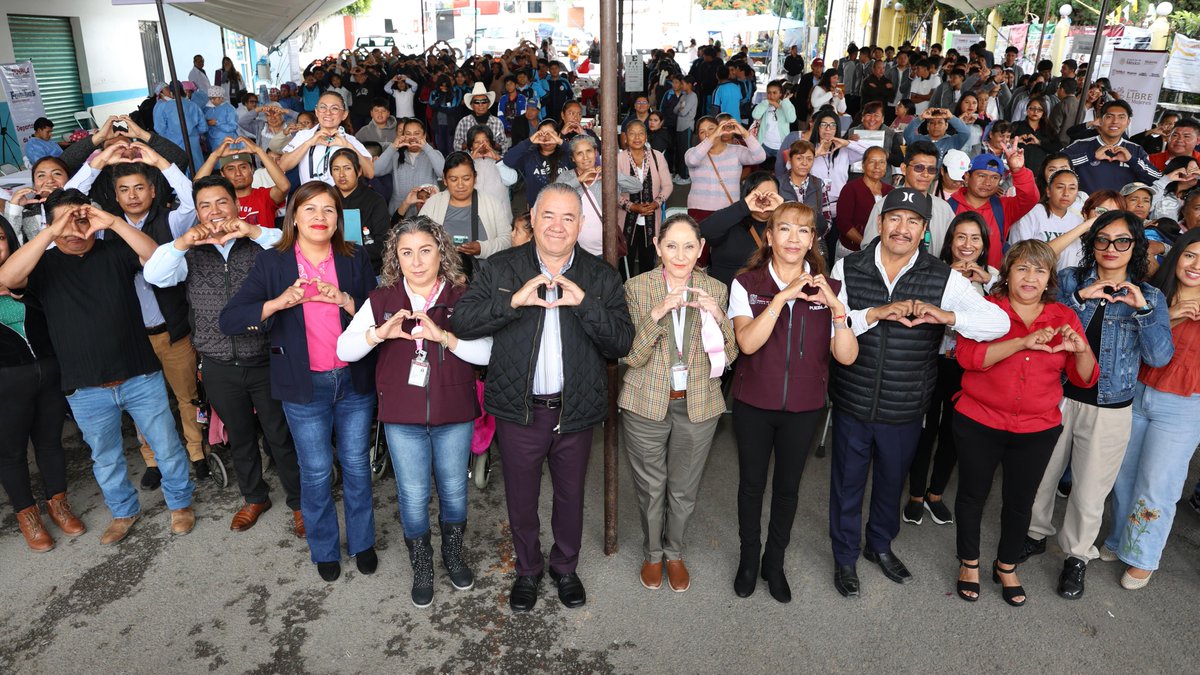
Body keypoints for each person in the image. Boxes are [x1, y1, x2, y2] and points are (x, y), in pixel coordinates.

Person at [450, 183, 634, 612]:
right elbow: (463, 321)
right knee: (521, 498)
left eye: (568, 218)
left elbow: (621, 343)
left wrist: (584, 303)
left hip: (575, 409)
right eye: (548, 215)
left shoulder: (600, 276)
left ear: (581, 225)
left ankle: (565, 568)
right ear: (531, 219)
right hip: (520, 409)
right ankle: (528, 571)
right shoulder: (500, 268)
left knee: (571, 496)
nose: (557, 226)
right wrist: (513, 302)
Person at [827, 188, 1010, 598]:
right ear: (880, 222)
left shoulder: (940, 276)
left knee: (892, 482)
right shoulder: (847, 268)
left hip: (906, 402)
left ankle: (879, 545)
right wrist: (872, 314)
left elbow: (997, 324)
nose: (902, 228)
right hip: (854, 397)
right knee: (846, 483)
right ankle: (844, 556)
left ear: (925, 230)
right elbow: (829, 327)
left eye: (913, 221)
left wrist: (948, 316)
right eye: (895, 218)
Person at [0, 189, 196, 545]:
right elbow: (8, 278)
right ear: (50, 225)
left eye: (80, 219)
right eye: (63, 222)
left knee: (166, 446)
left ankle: (180, 504)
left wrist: (113, 222)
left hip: (139, 374)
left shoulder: (115, 251)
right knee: (105, 458)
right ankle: (123, 512)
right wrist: (50, 232)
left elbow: (156, 256)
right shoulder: (43, 265)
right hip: (85, 386)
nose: (74, 230)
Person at [219, 181, 378, 582]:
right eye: (310, 209)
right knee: (316, 469)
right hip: (304, 385)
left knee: (358, 466)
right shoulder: (273, 264)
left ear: (339, 219)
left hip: (353, 380)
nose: (320, 217)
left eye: (328, 210)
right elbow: (231, 319)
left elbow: (380, 314)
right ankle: (324, 548)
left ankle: (362, 542)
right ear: (293, 216)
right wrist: (277, 303)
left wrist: (345, 300)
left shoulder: (354, 257)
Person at [337, 216, 492, 607]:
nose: (417, 261)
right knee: (412, 493)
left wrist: (447, 338)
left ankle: (453, 554)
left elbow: (489, 352)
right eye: (406, 252)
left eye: (426, 250)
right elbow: (343, 350)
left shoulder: (463, 295)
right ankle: (422, 565)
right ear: (395, 257)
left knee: (455, 489)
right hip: (402, 417)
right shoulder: (382, 299)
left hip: (454, 411)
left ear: (442, 252)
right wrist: (377, 334)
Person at [1022, 210, 1174, 601]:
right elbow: (1041, 322)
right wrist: (1079, 300)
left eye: (1122, 241)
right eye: (1102, 239)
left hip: (1111, 405)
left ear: (1135, 246)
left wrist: (1143, 311)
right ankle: (1033, 533)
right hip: (1056, 395)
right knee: (1041, 474)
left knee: (1090, 489)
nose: (1110, 248)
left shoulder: (1151, 296)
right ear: (1092, 244)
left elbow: (1158, 358)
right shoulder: (1072, 281)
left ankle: (1076, 556)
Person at [142, 175, 304, 537]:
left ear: (235, 205)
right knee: (240, 437)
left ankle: (300, 503)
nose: (215, 212)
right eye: (205, 205)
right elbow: (154, 273)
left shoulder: (258, 243)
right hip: (217, 363)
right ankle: (254, 497)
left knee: (281, 434)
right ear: (197, 212)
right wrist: (183, 241)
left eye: (221, 203)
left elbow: (296, 248)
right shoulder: (189, 253)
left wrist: (253, 230)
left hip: (265, 357)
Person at [952, 238, 1098, 607]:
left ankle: (1006, 565)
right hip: (978, 420)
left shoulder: (1064, 317)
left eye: (1040, 269)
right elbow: (968, 358)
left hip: (1036, 428)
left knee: (1020, 502)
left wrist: (1081, 350)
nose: (1030, 277)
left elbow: (1085, 378)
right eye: (1022, 268)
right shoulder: (987, 308)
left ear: (1049, 277)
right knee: (972, 494)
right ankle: (968, 562)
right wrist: (1022, 342)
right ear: (1007, 273)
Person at [729, 202, 858, 602]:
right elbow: (747, 343)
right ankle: (748, 559)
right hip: (753, 403)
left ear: (812, 240)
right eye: (784, 229)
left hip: (804, 408)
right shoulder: (747, 284)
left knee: (788, 489)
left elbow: (847, 356)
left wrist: (837, 311)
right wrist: (782, 297)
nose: (793, 239)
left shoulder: (831, 288)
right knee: (752, 486)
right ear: (769, 237)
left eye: (803, 231)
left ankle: (774, 561)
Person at [65, 142, 210, 485]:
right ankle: (152, 460)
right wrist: (99, 162)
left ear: (153, 189)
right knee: (143, 407)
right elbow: (68, 200)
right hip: (130, 338)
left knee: (187, 396)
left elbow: (194, 199)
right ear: (114, 195)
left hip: (173, 330)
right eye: (123, 190)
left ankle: (197, 452)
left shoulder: (172, 220)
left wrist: (159, 160)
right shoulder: (102, 229)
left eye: (139, 188)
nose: (132, 196)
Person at [620, 214, 738, 592]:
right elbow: (632, 357)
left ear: (702, 249)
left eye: (690, 246)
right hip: (646, 402)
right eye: (672, 245)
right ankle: (653, 553)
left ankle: (675, 551)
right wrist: (657, 314)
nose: (681, 254)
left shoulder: (716, 289)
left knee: (684, 488)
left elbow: (731, 355)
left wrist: (718, 315)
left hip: (698, 403)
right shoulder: (638, 288)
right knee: (652, 487)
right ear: (657, 247)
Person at [1102, 228, 1200, 589]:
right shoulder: (1154, 291)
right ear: (1178, 255)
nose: (1195, 265)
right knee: (1123, 474)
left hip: (1184, 403)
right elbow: (1131, 337)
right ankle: (1117, 539)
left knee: (1159, 482)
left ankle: (1142, 557)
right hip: (1137, 388)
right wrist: (1171, 314)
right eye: (1190, 255)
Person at [903, 212, 997, 527]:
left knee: (955, 433)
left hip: (969, 367)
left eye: (975, 238)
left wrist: (991, 282)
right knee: (924, 429)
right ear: (950, 241)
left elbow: (1003, 320)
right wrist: (945, 277)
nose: (967, 245)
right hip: (931, 361)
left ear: (984, 244)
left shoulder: (995, 278)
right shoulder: (934, 270)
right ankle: (916, 493)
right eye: (961, 237)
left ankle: (936, 493)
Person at [0, 215, 83, 552]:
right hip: (6, 381)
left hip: (48, 371)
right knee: (11, 454)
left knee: (50, 443)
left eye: (0, 238)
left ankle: (58, 503)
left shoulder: (31, 273)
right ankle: (28, 517)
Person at [947, 148, 1039, 269]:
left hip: (990, 282)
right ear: (967, 177)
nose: (988, 182)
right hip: (950, 278)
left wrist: (1018, 170)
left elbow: (1030, 198)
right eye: (981, 176)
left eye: (994, 178)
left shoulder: (1003, 208)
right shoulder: (948, 207)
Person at [420, 151, 512, 266]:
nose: (460, 185)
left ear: (475, 177)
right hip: (442, 277)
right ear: (445, 180)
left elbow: (507, 240)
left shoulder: (492, 204)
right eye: (453, 179)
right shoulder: (432, 205)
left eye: (466, 178)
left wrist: (482, 248)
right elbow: (418, 239)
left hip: (484, 279)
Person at [861, 141, 957, 253]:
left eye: (931, 170)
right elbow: (868, 250)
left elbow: (952, 249)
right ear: (903, 168)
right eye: (919, 168)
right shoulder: (883, 206)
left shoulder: (944, 210)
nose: (925, 175)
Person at [556, 135, 641, 257]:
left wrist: (611, 173)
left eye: (589, 151)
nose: (585, 157)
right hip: (573, 250)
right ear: (573, 158)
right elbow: (553, 195)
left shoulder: (607, 175)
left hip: (607, 249)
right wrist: (578, 180)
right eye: (579, 153)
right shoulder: (566, 177)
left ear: (596, 153)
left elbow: (637, 186)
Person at [699, 172, 784, 287]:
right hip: (725, 298)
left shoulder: (784, 226)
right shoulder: (731, 220)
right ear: (747, 196)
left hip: (769, 298)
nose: (764, 200)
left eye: (771, 196)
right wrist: (743, 206)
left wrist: (784, 209)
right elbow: (703, 231)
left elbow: (814, 225)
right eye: (759, 195)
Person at [1064, 100, 1161, 195]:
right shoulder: (1080, 145)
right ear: (1101, 120)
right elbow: (1053, 165)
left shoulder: (1136, 150)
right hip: (1084, 208)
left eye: (1121, 117)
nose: (1115, 121)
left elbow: (1156, 178)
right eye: (1109, 117)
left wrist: (1132, 160)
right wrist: (1090, 156)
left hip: (1120, 210)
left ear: (1128, 122)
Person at [279, 91, 374, 186]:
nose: (328, 113)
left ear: (344, 115)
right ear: (316, 111)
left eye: (335, 108)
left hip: (341, 199)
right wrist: (308, 143)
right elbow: (283, 166)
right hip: (310, 198)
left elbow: (369, 173)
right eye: (323, 107)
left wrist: (348, 146)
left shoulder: (350, 140)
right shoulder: (303, 136)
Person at [194, 137, 290, 228]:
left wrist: (259, 151)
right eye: (231, 169)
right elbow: (196, 187)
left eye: (243, 167)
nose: (238, 173)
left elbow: (284, 187)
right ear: (222, 174)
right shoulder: (220, 201)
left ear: (252, 169)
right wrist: (214, 156)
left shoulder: (265, 196)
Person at [618, 120, 673, 277]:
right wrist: (631, 206)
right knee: (624, 263)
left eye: (641, 133)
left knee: (648, 262)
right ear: (625, 137)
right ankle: (624, 297)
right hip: (625, 221)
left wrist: (656, 203)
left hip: (651, 219)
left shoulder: (657, 157)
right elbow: (611, 191)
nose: (637, 137)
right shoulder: (619, 158)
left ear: (646, 136)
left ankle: (645, 298)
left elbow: (668, 185)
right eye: (632, 133)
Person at [684, 117, 766, 222]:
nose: (707, 134)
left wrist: (744, 133)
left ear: (720, 130)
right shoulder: (692, 152)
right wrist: (713, 136)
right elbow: (692, 161)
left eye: (711, 129)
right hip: (699, 210)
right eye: (702, 132)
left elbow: (760, 157)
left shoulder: (736, 150)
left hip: (728, 209)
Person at [329, 149, 391, 277]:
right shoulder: (325, 199)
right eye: (336, 169)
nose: (341, 174)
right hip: (330, 269)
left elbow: (383, 244)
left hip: (368, 270)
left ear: (359, 171)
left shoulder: (375, 200)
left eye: (347, 168)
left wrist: (345, 252)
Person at [1008, 169, 1085, 270]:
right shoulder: (1031, 214)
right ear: (1048, 191)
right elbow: (1019, 255)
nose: (1066, 193)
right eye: (1060, 187)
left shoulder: (1079, 221)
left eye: (1072, 188)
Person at [375, 117, 445, 219]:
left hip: (428, 212)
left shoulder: (433, 154)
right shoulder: (395, 155)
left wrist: (426, 148)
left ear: (424, 135)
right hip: (400, 213)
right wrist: (393, 147)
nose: (412, 137)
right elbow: (376, 171)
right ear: (403, 136)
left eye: (417, 133)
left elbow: (444, 174)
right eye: (408, 134)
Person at [835, 146, 892, 259]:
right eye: (872, 162)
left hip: (882, 252)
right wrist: (866, 245)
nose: (877, 167)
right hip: (851, 250)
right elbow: (843, 223)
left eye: (882, 162)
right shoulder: (850, 189)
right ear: (863, 165)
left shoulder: (890, 191)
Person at [504, 120, 573, 207]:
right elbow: (508, 160)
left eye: (551, 134)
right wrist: (529, 141)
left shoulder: (567, 154)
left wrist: (561, 142)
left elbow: (579, 155)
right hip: (537, 208)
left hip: (565, 206)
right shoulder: (530, 156)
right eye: (542, 134)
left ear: (558, 136)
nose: (547, 137)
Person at [4, 156, 70, 244]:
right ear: (34, 185)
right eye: (41, 175)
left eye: (57, 173)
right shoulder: (27, 213)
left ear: (69, 179)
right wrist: (14, 209)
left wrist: (58, 200)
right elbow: (12, 244)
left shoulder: (86, 206)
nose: (50, 180)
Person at [776, 140, 828, 235]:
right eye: (799, 158)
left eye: (809, 159)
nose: (805, 163)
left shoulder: (819, 184)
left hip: (813, 240)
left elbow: (826, 219)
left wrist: (812, 238)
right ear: (790, 160)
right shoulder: (777, 184)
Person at [154, 82, 206, 173]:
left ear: (171, 93)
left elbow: (159, 129)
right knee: (199, 174)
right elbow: (203, 128)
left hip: (174, 146)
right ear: (183, 91)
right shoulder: (193, 105)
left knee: (180, 175)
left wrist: (171, 136)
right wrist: (193, 133)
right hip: (193, 145)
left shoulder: (164, 107)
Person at [751, 80, 796, 162]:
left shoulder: (786, 105)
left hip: (781, 147)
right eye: (769, 93)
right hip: (764, 145)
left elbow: (791, 119)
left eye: (775, 93)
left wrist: (785, 102)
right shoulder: (764, 105)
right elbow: (755, 115)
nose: (771, 95)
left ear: (780, 94)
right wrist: (767, 102)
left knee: (779, 172)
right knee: (762, 170)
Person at [903, 107, 970, 159]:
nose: (936, 126)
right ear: (927, 126)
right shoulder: (919, 140)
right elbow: (907, 133)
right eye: (932, 123)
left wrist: (951, 117)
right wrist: (921, 118)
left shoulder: (953, 141)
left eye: (940, 122)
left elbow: (966, 133)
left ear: (946, 125)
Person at [672, 76, 698, 185]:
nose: (681, 86)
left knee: (686, 152)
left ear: (689, 85)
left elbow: (682, 112)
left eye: (683, 83)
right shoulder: (684, 96)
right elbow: (675, 110)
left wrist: (680, 110)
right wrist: (680, 109)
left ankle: (687, 176)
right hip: (680, 126)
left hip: (687, 127)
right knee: (680, 152)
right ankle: (681, 174)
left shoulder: (693, 96)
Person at [204, 87, 239, 151]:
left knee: (227, 160)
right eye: (210, 98)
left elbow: (233, 126)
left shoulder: (229, 109)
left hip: (227, 141)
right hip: (213, 142)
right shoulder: (208, 109)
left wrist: (217, 123)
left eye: (214, 98)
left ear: (221, 98)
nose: (212, 101)